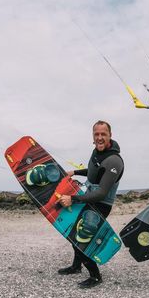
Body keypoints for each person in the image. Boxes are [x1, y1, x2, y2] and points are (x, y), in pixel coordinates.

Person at [58, 120, 124, 289]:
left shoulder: (114, 161)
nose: (100, 137)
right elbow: (94, 171)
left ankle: (95, 276)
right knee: (73, 232)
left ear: (110, 136)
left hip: (101, 204)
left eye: (103, 134)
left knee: (82, 236)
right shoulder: (96, 153)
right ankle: (76, 266)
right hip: (88, 197)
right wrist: (74, 172)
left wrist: (73, 199)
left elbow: (101, 192)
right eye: (97, 134)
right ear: (93, 137)